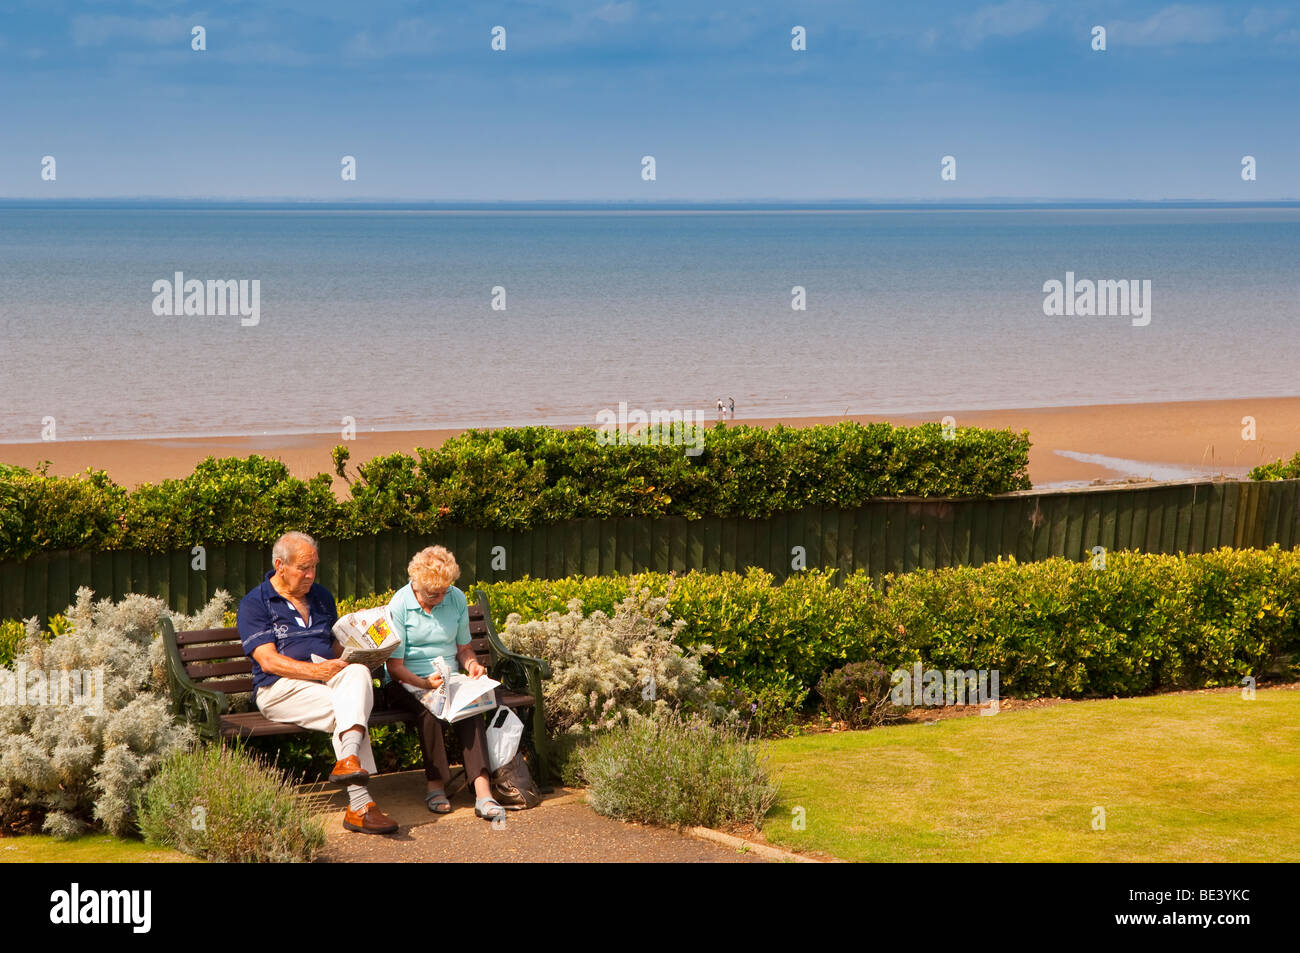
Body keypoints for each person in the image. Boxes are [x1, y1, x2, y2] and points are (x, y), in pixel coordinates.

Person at [236, 531, 397, 835]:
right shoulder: (255, 603)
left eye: (314, 568)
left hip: (326, 682)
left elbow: (333, 648)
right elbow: (268, 661)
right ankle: (360, 805)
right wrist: (315, 673)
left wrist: (363, 646)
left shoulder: (321, 597)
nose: (311, 575)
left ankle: (349, 765)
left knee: (359, 674)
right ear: (279, 565)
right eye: (303, 568)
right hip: (279, 688)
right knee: (351, 712)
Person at [383, 546, 505, 820]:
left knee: (470, 707)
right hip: (406, 680)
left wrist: (472, 665)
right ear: (416, 583)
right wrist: (424, 683)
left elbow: (463, 648)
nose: (439, 599)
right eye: (432, 594)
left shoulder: (456, 598)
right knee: (428, 712)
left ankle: (483, 792)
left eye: (444, 592)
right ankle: (435, 786)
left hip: (446, 679)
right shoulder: (400, 604)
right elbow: (395, 666)